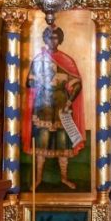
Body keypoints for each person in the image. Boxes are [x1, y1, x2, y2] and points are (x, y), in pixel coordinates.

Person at [22, 26, 86, 189]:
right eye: (50, 37)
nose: (52, 41)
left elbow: (77, 84)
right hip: (43, 106)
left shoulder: (67, 61)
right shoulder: (39, 60)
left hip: (61, 107)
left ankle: (64, 178)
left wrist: (69, 102)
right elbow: (29, 82)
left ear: (60, 39)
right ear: (45, 39)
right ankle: (38, 179)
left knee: (63, 143)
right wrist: (41, 79)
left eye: (56, 37)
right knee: (41, 143)